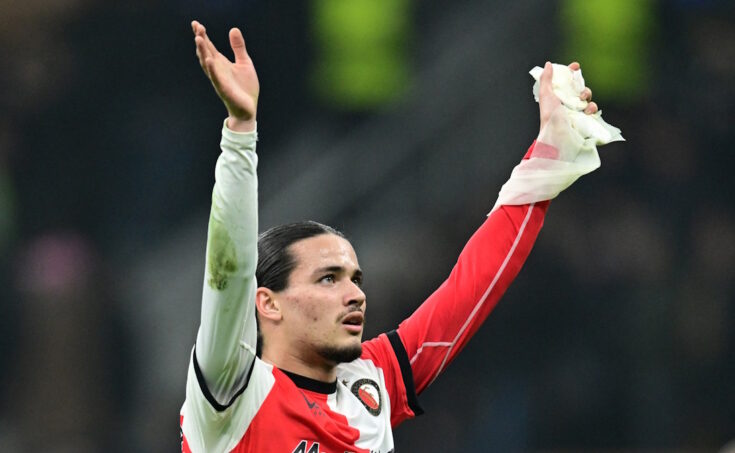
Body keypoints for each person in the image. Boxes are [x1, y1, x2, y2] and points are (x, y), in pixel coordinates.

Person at [180, 20, 602, 453]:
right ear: (269, 303)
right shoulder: (232, 393)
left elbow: (472, 286)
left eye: (355, 279)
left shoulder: (373, 378)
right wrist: (240, 134)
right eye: (328, 278)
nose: (355, 295)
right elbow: (229, 274)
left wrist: (550, 153)